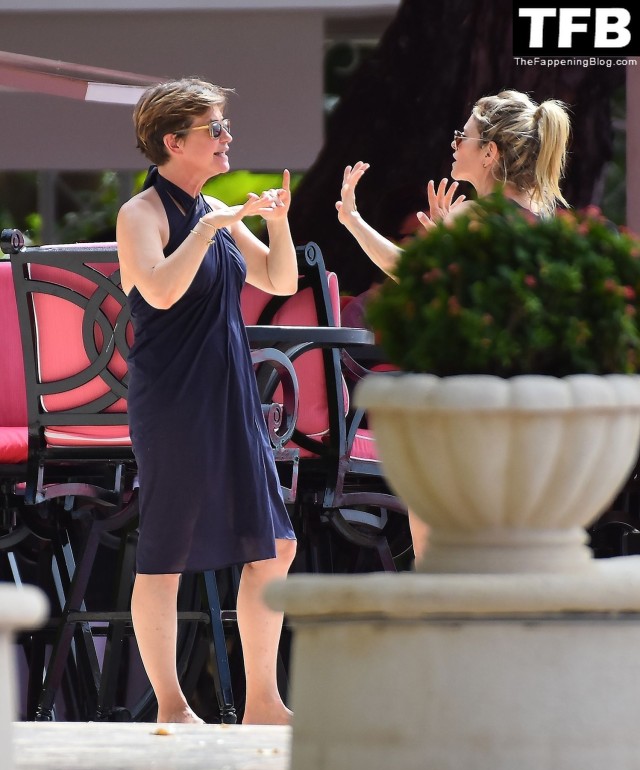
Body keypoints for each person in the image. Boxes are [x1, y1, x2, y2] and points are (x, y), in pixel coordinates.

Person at [116, 77, 298, 725]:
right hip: (175, 399)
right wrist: (207, 229)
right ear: (174, 142)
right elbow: (159, 291)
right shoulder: (142, 214)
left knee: (274, 545)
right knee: (167, 553)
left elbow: (278, 279)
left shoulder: (211, 209)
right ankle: (172, 705)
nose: (227, 138)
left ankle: (263, 702)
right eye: (214, 129)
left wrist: (275, 223)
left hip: (231, 394)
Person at [335, 89, 572, 562]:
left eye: (464, 136)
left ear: (490, 153)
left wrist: (354, 219)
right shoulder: (542, 221)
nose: (455, 143)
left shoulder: (475, 217)